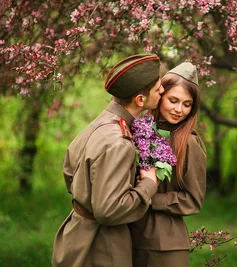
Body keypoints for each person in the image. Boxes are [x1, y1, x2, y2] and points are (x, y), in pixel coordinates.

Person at [52, 54, 164, 267]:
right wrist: (148, 185)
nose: (162, 92)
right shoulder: (118, 142)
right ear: (140, 100)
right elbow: (108, 211)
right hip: (100, 247)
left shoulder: (102, 121)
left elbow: (69, 170)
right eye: (158, 89)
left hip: (75, 234)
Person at [129, 62, 207, 267]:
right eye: (173, 100)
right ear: (159, 95)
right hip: (127, 236)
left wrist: (150, 198)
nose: (179, 110)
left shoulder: (189, 142)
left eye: (187, 104)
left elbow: (193, 200)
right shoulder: (137, 130)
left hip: (166, 246)